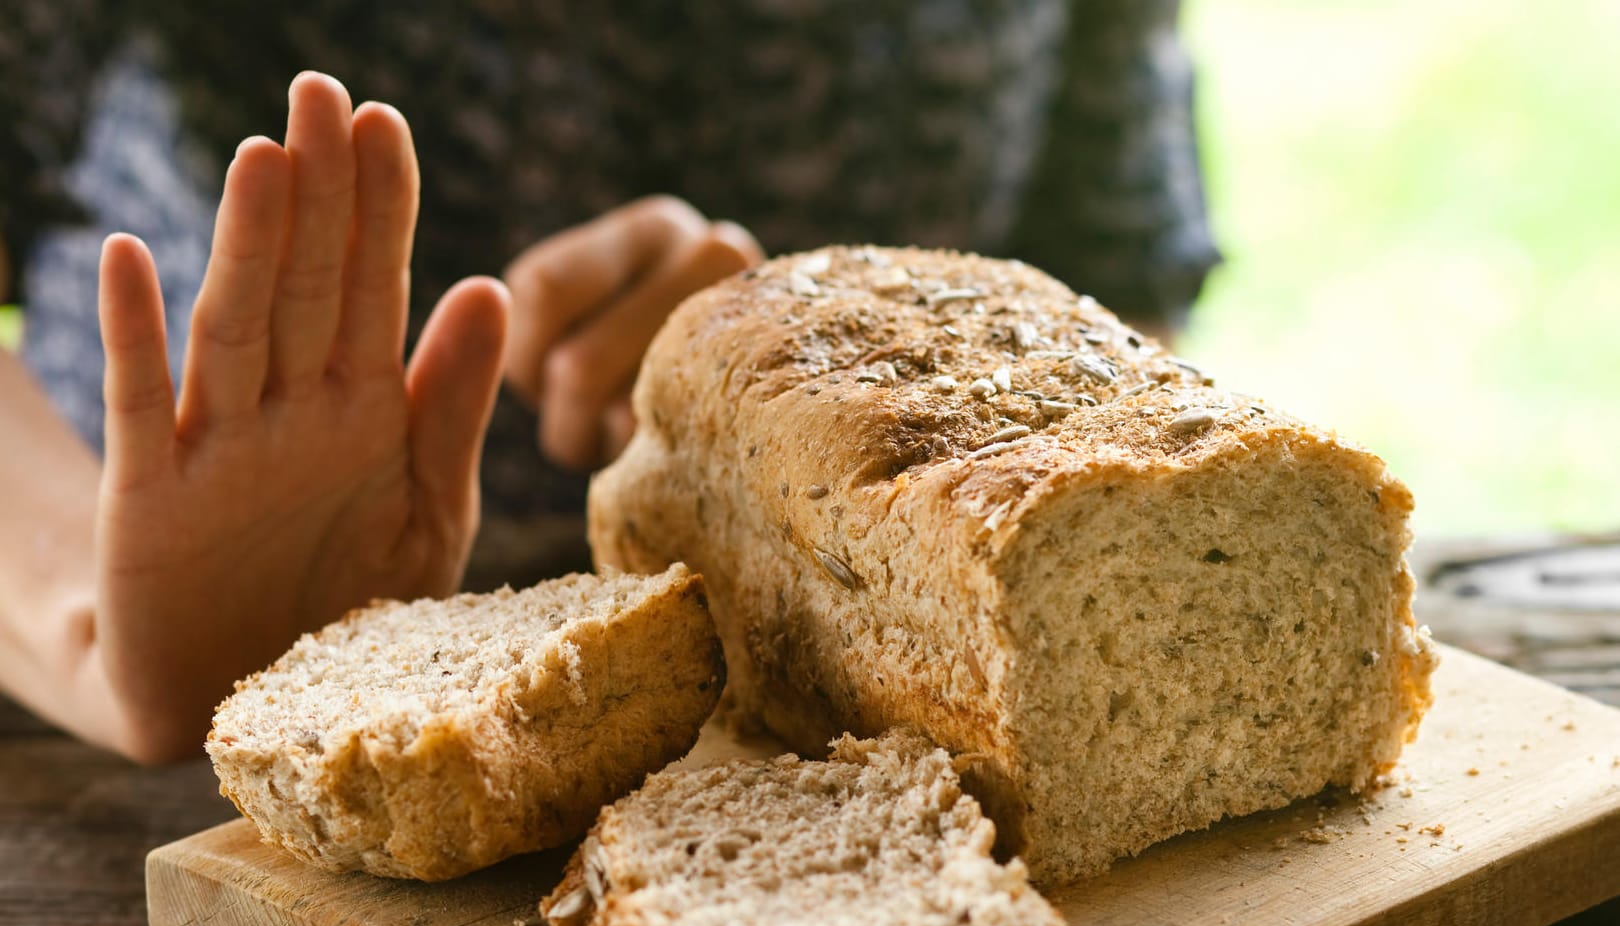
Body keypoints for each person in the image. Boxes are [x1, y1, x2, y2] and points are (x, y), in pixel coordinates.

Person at [0, 2, 1220, 763]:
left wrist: (785, 375)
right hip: (91, 754)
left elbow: (1114, 295)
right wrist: (87, 623)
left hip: (849, 731)